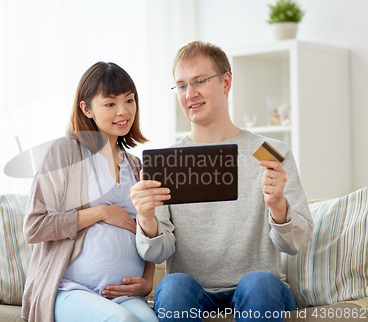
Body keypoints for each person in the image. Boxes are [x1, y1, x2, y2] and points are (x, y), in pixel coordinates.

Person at [130, 41, 314, 322]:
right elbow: (157, 253)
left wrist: (279, 206)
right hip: (193, 292)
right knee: (172, 286)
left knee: (259, 283)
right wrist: (146, 219)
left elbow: (295, 244)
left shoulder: (269, 152)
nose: (190, 94)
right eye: (181, 85)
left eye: (199, 81)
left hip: (260, 292)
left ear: (226, 82)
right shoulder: (167, 162)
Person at [21, 61, 159, 322]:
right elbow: (34, 226)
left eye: (129, 101)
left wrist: (147, 281)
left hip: (124, 296)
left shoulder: (137, 165)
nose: (123, 111)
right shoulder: (65, 152)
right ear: (87, 108)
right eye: (110, 104)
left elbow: (147, 229)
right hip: (69, 290)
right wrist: (101, 213)